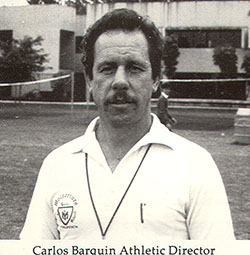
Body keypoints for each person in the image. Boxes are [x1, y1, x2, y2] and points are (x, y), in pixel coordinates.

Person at [20, 8, 235, 240]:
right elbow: (32, 253)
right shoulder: (57, 164)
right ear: (90, 80)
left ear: (155, 80)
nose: (120, 81)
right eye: (107, 68)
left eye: (134, 68)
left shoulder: (196, 164)